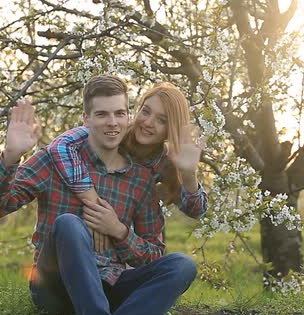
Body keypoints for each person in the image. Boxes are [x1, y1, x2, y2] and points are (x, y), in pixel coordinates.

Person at [0, 75, 197, 315]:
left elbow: (152, 255)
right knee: (69, 224)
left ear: (128, 117)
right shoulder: (54, 160)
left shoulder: (140, 177)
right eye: (102, 114)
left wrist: (120, 232)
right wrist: (11, 157)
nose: (112, 123)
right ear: (86, 118)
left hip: (110, 286)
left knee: (182, 265)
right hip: (54, 288)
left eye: (120, 113)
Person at [47, 82, 208, 251]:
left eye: (161, 120)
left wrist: (189, 174)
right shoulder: (113, 132)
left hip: (130, 238)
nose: (148, 122)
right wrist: (94, 203)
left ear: (171, 128)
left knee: (178, 264)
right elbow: (59, 146)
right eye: (145, 111)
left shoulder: (165, 162)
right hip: (82, 225)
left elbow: (196, 210)